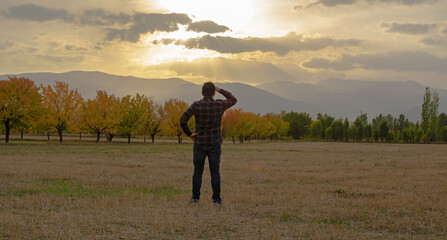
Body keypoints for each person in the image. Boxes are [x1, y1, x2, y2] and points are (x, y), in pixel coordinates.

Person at [179, 82, 237, 204]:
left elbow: (182, 119)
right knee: (215, 171)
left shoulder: (196, 105)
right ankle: (216, 199)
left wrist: (189, 133)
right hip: (215, 143)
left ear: (202, 92)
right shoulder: (219, 104)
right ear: (214, 93)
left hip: (199, 143)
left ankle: (195, 198)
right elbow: (233, 99)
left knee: (197, 171)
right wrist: (220, 89)